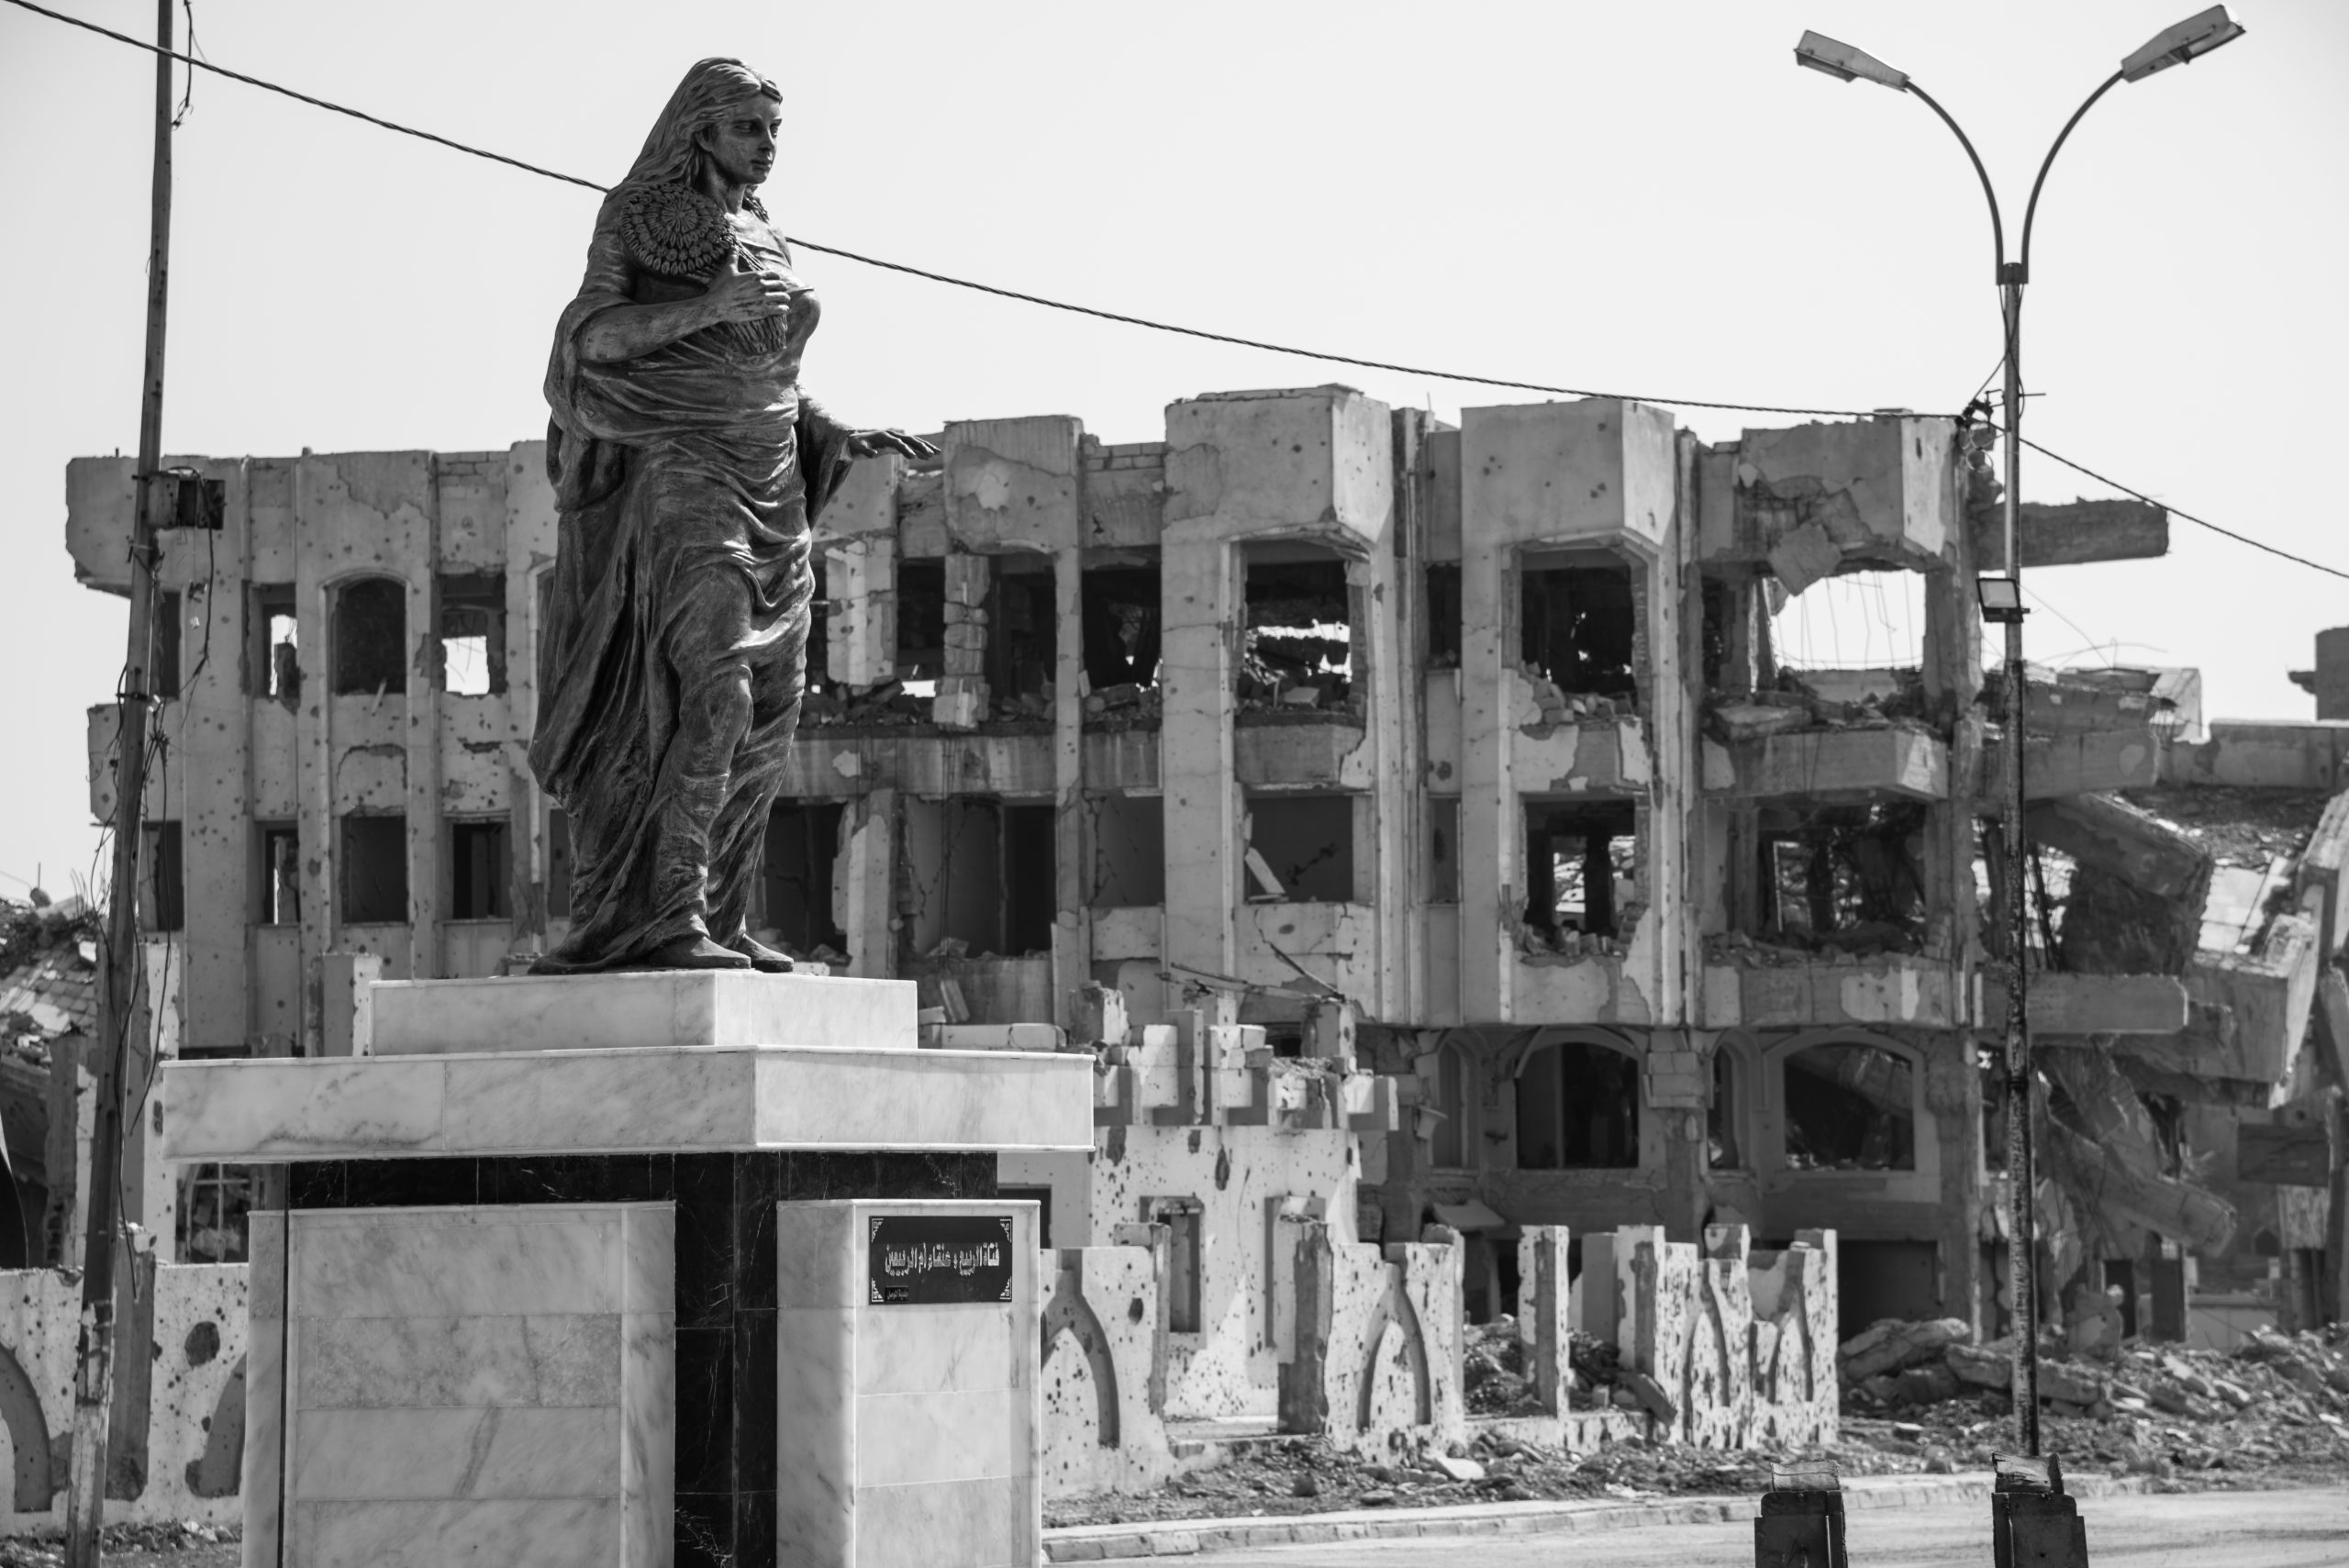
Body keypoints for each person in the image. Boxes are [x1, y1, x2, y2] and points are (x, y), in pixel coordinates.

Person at [530, 58, 932, 973]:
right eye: (750, 127)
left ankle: (721, 909)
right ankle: (662, 911)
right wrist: (703, 308)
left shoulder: (765, 231)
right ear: (699, 130)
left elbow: (765, 368)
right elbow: (589, 338)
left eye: (774, 130)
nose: (767, 146)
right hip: (685, 471)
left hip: (775, 481)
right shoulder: (636, 218)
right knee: (715, 694)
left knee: (772, 712)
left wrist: (836, 430)